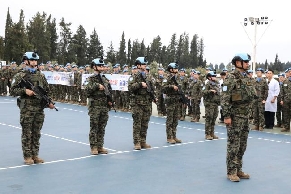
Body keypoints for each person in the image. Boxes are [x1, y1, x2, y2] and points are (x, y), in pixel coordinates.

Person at [10, 51, 55, 165]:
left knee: (36, 132)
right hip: (27, 109)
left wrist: (49, 102)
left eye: (36, 60)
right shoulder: (20, 75)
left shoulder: (41, 75)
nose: (35, 62)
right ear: (26, 61)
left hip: (39, 109)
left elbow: (47, 91)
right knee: (27, 133)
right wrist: (25, 91)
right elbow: (12, 90)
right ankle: (27, 156)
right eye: (32, 60)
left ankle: (35, 155)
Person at [221, 53, 256, 182]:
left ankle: (238, 169)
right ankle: (231, 171)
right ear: (237, 63)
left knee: (242, 145)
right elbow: (225, 98)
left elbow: (251, 97)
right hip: (235, 116)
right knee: (233, 145)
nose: (247, 63)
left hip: (245, 116)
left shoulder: (247, 77)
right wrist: (227, 116)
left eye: (248, 61)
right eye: (245, 61)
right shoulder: (230, 77)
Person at [85, 57, 111, 155]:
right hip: (95, 106)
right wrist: (96, 86)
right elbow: (87, 91)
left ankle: (100, 146)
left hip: (104, 106)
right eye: (99, 66)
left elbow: (108, 91)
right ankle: (93, 147)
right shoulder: (90, 79)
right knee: (94, 127)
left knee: (102, 127)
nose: (101, 67)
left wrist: (110, 100)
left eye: (102, 66)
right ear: (94, 67)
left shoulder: (104, 79)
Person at [128, 56, 156, 150]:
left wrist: (154, 97)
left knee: (145, 123)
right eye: (143, 64)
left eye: (145, 64)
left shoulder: (148, 76)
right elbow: (130, 88)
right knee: (137, 123)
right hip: (137, 103)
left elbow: (152, 88)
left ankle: (143, 141)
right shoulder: (134, 76)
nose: (145, 66)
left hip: (147, 103)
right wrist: (140, 84)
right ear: (138, 65)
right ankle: (137, 142)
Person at [163, 62, 183, 144]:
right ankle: (169, 137)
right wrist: (172, 87)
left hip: (177, 100)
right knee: (170, 119)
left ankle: (174, 135)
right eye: (175, 68)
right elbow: (163, 87)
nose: (177, 70)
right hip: (170, 100)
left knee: (175, 120)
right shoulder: (167, 77)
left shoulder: (177, 77)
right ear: (171, 69)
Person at [203, 71, 220, 140]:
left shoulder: (216, 83)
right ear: (209, 77)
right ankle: (207, 134)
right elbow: (203, 92)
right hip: (209, 104)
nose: (215, 77)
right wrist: (210, 91)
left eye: (215, 76)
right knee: (209, 118)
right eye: (213, 76)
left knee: (214, 118)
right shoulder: (207, 84)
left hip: (215, 103)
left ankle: (212, 133)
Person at [280, 68, 291, 132]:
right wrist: (282, 99)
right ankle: (286, 127)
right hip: (286, 100)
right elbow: (282, 92)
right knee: (286, 114)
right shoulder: (285, 81)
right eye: (289, 71)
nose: (290, 73)